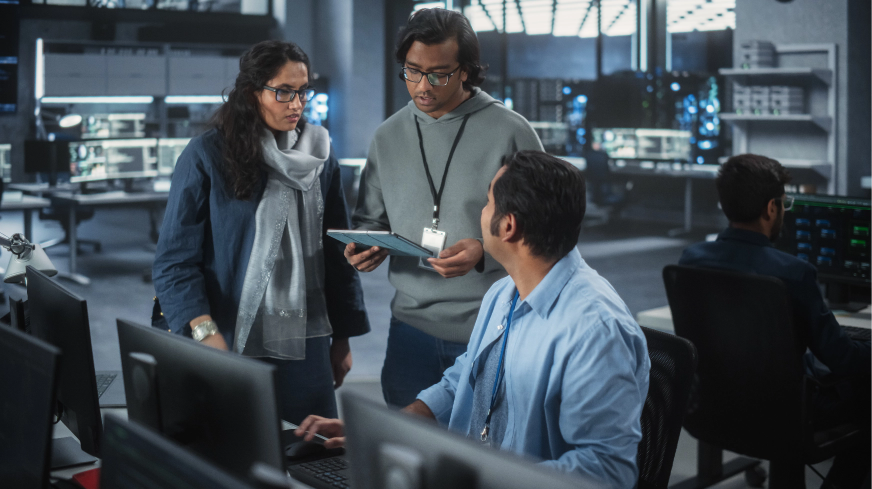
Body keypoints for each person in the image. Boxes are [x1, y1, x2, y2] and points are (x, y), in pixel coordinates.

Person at [299, 151, 651, 487]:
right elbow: (462, 383)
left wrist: (479, 478)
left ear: (508, 226)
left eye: (487, 203)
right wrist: (376, 432)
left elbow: (606, 471)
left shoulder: (596, 331)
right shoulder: (503, 294)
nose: (481, 213)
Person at [152, 40, 369, 424]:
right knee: (231, 455)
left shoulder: (320, 156)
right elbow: (174, 261)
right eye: (283, 91)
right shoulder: (207, 156)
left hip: (306, 341)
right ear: (253, 93)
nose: (296, 103)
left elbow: (335, 253)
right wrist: (205, 333)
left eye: (303, 91)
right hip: (227, 335)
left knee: (310, 454)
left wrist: (342, 337)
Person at [347, 8, 544, 407]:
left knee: (487, 459)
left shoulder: (511, 131)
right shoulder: (387, 136)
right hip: (409, 331)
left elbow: (545, 232)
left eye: (439, 74)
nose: (423, 85)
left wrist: (482, 253)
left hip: (491, 328)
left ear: (467, 70)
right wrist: (366, 246)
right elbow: (371, 218)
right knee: (407, 456)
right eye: (412, 71)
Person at [679, 153, 872, 488]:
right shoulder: (793, 273)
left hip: (712, 407)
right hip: (787, 417)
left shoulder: (691, 259)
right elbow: (841, 358)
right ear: (771, 208)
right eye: (785, 203)